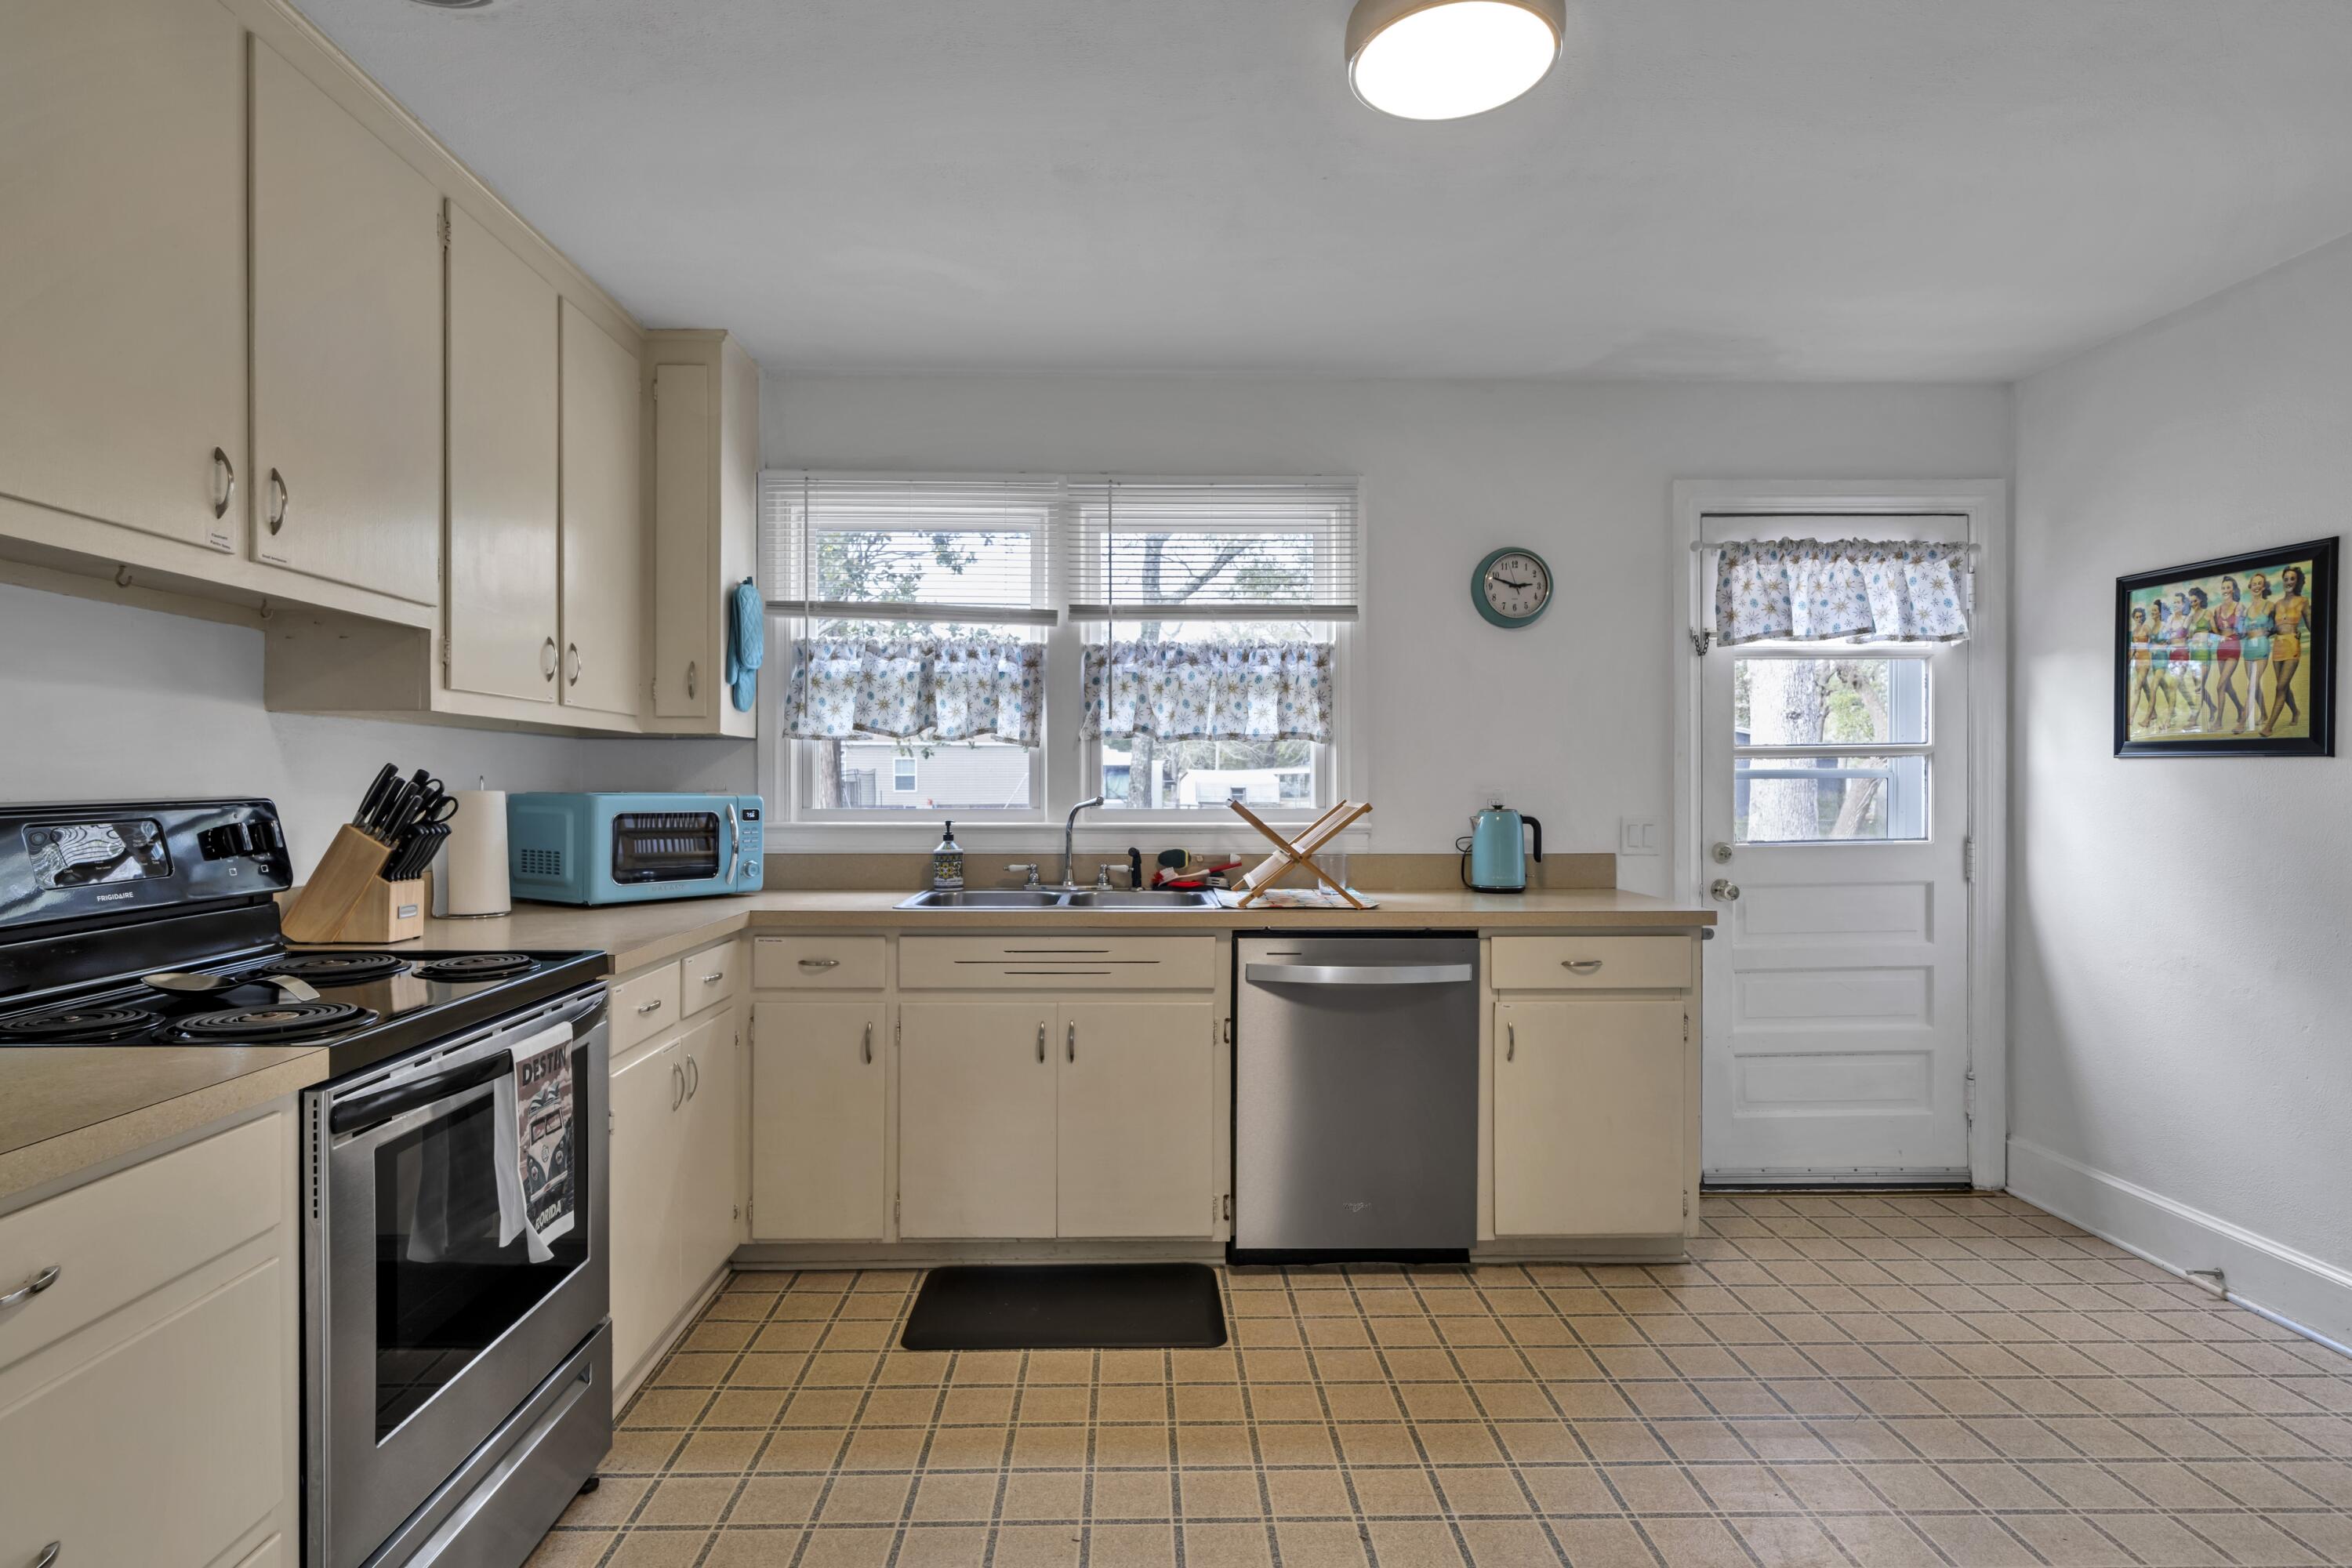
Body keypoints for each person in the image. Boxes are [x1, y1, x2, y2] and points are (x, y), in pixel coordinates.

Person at [2263, 563, 2312, 737]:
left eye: (2292, 579)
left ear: (2297, 581)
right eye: (2286, 579)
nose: (2289, 582)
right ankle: (2296, 712)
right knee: (2284, 686)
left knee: (2280, 687)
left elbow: (2312, 625)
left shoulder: (2303, 601)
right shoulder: (2277, 604)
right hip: (2278, 646)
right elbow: (2274, 628)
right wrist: (2266, 632)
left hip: (2292, 645)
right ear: (2283, 581)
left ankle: (2269, 726)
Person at [2211, 575, 2248, 731]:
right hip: (2221, 647)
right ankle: (2240, 708)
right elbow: (2215, 631)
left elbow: (2243, 631)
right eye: (2223, 588)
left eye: (2228, 587)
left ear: (2233, 590)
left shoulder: (2239, 607)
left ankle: (2219, 721)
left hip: (2233, 646)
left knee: (2220, 685)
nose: (2225, 590)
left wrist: (2238, 634)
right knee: (2226, 686)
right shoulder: (2217, 610)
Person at [2241, 572, 2276, 735]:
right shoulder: (2247, 610)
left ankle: (2242, 722)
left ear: (2263, 587)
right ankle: (2264, 714)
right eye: (2254, 584)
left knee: (2251, 686)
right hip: (2248, 648)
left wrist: (2271, 631)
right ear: (2250, 587)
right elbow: (2242, 632)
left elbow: (2277, 625)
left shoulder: (2269, 605)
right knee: (2254, 685)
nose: (2256, 586)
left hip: (2262, 646)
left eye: (2259, 583)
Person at [2184, 585, 2219, 730]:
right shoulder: (2191, 617)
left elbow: (2215, 632)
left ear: (2201, 600)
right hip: (2194, 654)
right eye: (2191, 601)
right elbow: (2186, 634)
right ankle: (2212, 707)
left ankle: (2194, 718)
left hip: (2205, 653)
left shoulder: (2208, 613)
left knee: (2198, 688)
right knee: (2200, 687)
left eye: (2195, 601)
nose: (2193, 603)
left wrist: (2210, 640)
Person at [2127, 604, 2162, 733]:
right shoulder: (2134, 632)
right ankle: (2154, 714)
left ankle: (2130, 718)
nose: (2139, 619)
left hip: (2146, 660)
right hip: (2137, 662)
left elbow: (2153, 642)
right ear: (2134, 618)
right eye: (2137, 617)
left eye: (2141, 616)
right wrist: (2129, 659)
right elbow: (2133, 649)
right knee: (2146, 688)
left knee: (2137, 688)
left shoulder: (2146, 628)